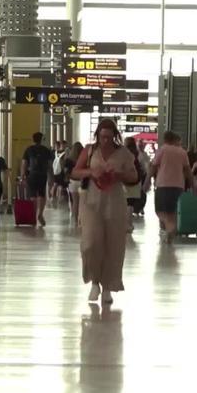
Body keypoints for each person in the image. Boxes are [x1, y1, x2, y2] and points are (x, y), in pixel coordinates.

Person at [71, 119, 138, 305]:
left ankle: (108, 286)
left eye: (109, 137)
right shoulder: (90, 150)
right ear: (97, 135)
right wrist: (91, 172)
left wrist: (119, 175)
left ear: (114, 136)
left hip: (114, 201)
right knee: (91, 243)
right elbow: (75, 172)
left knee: (113, 244)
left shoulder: (123, 153)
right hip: (91, 201)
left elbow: (134, 176)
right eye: (102, 137)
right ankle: (94, 281)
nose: (105, 141)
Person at [150, 131, 193, 243]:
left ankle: (169, 229)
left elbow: (153, 167)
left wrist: (146, 182)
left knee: (159, 211)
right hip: (178, 186)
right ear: (175, 140)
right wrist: (193, 185)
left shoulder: (162, 150)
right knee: (173, 212)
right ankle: (170, 230)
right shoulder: (182, 152)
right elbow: (188, 171)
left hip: (162, 185)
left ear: (165, 140)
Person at [21, 132, 54, 227]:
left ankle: (33, 215)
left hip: (32, 175)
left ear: (33, 139)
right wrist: (51, 177)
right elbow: (49, 166)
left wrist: (23, 175)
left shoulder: (29, 149)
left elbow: (24, 163)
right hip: (42, 175)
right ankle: (40, 214)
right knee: (41, 195)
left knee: (32, 196)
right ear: (41, 139)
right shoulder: (46, 150)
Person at [123, 138, 144, 233]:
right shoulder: (138, 154)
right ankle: (129, 224)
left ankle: (125, 224)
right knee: (131, 203)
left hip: (125, 180)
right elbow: (143, 167)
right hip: (136, 181)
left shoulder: (123, 153)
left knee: (125, 202)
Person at [64, 142, 85, 226]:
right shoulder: (83, 159)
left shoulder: (68, 160)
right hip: (82, 181)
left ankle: (75, 218)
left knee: (75, 201)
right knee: (82, 202)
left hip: (72, 181)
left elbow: (65, 171)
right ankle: (81, 219)